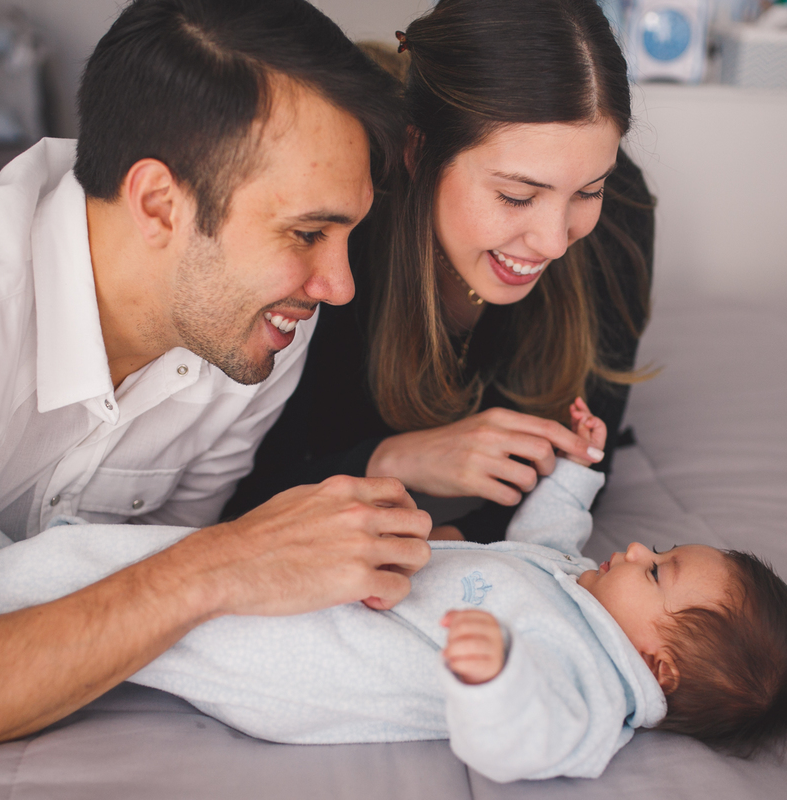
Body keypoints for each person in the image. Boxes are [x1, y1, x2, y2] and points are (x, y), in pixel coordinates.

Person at [0, 0, 435, 780]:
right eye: (307, 234)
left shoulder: (258, 331)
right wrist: (217, 565)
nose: (340, 287)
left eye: (349, 235)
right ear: (157, 204)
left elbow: (145, 598)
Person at [0, 401, 787, 782]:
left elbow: (523, 746)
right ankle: (15, 560)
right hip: (332, 588)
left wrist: (495, 677)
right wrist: (579, 472)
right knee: (162, 555)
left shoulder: (585, 693)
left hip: (313, 656)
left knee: (166, 610)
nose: (642, 547)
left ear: (657, 663)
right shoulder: (578, 588)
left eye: (659, 572)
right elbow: (545, 540)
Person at [225, 0, 656, 544]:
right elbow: (244, 498)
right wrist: (392, 459)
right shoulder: (340, 230)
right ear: (419, 154)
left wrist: (463, 541)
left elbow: (587, 468)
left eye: (588, 191)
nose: (554, 241)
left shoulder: (618, 219)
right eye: (516, 196)